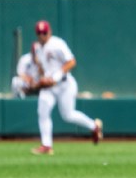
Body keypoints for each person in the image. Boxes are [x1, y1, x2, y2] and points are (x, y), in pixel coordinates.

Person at [31, 20, 103, 155]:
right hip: (49, 87)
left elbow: (71, 62)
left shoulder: (57, 43)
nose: (42, 36)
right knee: (42, 112)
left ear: (49, 32)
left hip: (65, 85)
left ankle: (94, 126)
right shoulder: (37, 48)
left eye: (44, 33)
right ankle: (46, 145)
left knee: (68, 115)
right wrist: (40, 79)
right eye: (39, 33)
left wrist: (56, 76)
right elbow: (43, 69)